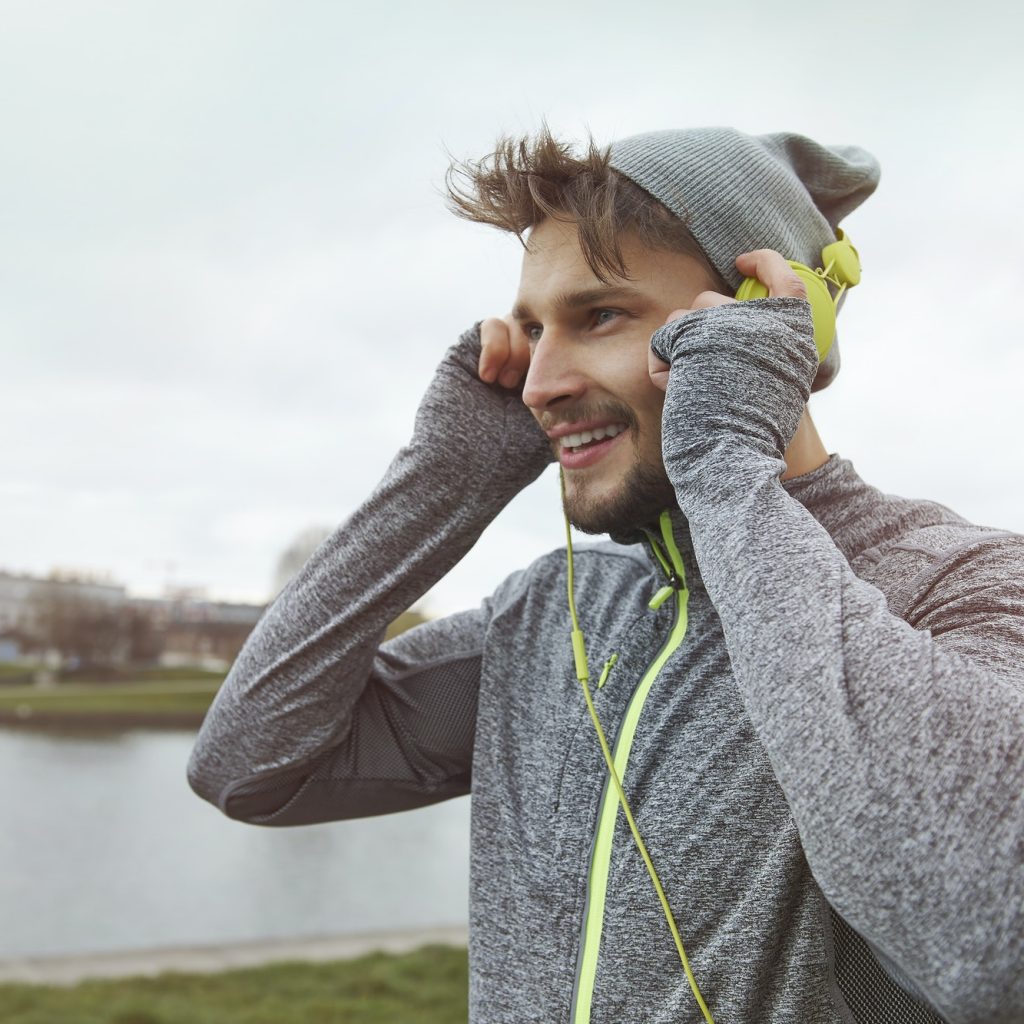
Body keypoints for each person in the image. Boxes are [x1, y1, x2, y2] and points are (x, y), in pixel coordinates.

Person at [187, 126, 1024, 1023]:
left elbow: (988, 935)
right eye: (536, 328)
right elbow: (247, 769)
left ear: (769, 322)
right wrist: (439, 481)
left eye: (600, 317)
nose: (538, 381)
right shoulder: (555, 612)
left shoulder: (963, 584)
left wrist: (723, 458)